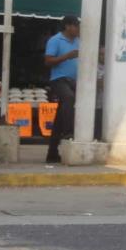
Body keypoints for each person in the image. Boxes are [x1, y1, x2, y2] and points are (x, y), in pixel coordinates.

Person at [44, 15, 80, 164]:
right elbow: (48, 61)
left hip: (75, 81)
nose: (78, 29)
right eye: (76, 26)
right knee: (69, 98)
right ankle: (68, 132)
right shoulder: (55, 40)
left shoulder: (79, 41)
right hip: (59, 80)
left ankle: (52, 153)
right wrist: (67, 56)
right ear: (67, 26)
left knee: (59, 117)